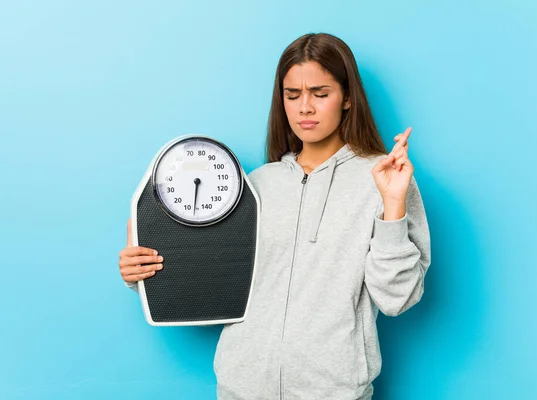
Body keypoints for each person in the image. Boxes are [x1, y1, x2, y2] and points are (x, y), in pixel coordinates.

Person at [118, 32, 431, 400]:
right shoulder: (254, 186)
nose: (305, 108)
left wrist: (392, 207)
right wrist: (140, 272)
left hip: (334, 391)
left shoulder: (384, 178)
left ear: (347, 98)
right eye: (292, 95)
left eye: (320, 93)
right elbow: (212, 275)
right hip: (242, 387)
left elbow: (398, 298)